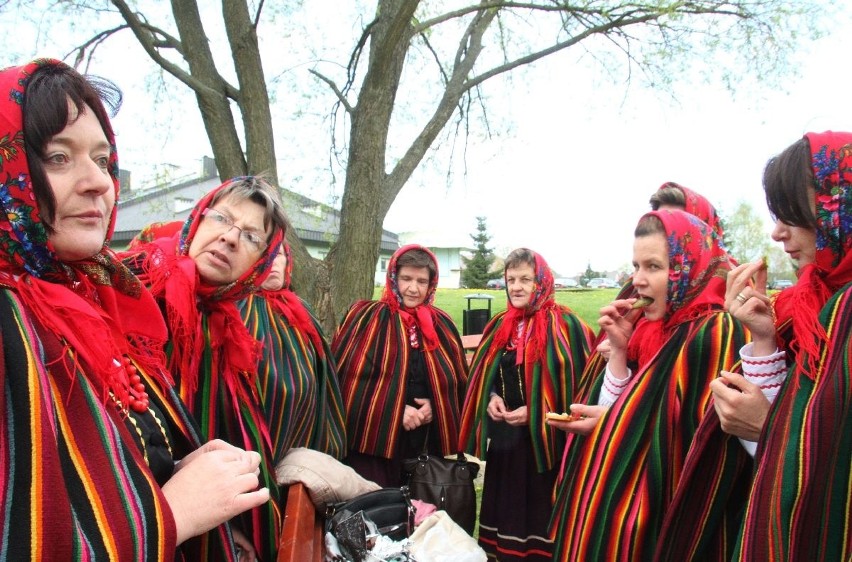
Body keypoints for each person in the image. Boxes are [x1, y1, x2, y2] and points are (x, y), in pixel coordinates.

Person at [0, 59, 268, 560]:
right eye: (59, 157)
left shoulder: (100, 293)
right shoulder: (20, 313)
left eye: (102, 160)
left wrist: (180, 465)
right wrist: (173, 515)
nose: (98, 182)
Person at [656, 131, 852, 562]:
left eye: (793, 214)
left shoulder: (842, 310)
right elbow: (800, 421)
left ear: (840, 208)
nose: (777, 232)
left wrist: (766, 428)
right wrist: (763, 337)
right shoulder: (811, 306)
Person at [548, 209, 747, 561]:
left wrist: (613, 426)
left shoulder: (715, 333)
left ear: (689, 268)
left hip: (668, 526)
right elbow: (630, 412)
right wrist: (620, 351)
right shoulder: (665, 328)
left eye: (653, 267)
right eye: (636, 266)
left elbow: (693, 448)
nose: (638, 279)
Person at [121, 177, 288, 561]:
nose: (230, 238)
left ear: (259, 264)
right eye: (221, 219)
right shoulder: (127, 285)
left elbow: (224, 429)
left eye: (250, 237)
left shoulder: (223, 326)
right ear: (196, 221)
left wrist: (232, 527)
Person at [459, 248, 594, 561]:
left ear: (541, 282)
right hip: (506, 444)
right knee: (505, 513)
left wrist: (537, 412)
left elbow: (582, 385)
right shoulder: (499, 327)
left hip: (546, 446)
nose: (517, 286)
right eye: (511, 279)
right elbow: (485, 375)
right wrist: (491, 398)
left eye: (525, 279)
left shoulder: (567, 326)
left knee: (538, 521)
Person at [331, 244, 468, 487]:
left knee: (421, 512)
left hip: (424, 444)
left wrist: (436, 407)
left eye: (421, 281)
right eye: (406, 278)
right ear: (393, 277)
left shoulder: (442, 324)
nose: (413, 288)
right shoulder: (365, 318)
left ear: (431, 284)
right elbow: (347, 382)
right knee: (378, 510)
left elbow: (457, 383)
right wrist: (394, 411)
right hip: (373, 443)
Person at [238, 242, 347, 459]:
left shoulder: (301, 308)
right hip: (252, 434)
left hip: (300, 431)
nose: (273, 263)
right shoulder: (237, 308)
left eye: (278, 255)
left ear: (288, 261)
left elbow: (323, 374)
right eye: (264, 255)